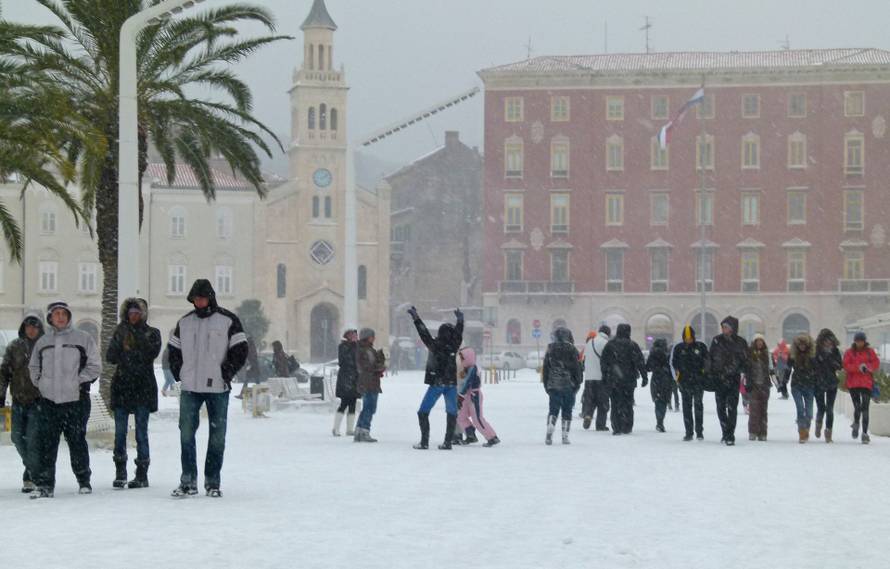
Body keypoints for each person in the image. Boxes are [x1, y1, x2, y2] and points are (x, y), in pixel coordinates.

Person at [168, 280, 248, 498]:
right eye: (195, 298)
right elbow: (173, 352)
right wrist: (180, 374)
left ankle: (212, 482)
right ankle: (188, 481)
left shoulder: (228, 320)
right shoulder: (184, 322)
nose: (199, 301)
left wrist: (226, 372)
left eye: (202, 297)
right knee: (186, 434)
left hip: (218, 388)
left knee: (217, 437)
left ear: (210, 297)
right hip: (190, 388)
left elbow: (241, 349)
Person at [28, 301, 102, 499]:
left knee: (77, 441)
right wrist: (41, 383)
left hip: (76, 400)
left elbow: (95, 365)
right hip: (49, 401)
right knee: (48, 443)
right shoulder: (43, 342)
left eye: (63, 313)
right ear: (50, 318)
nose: (60, 317)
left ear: (69, 316)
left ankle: (83, 480)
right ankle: (45, 485)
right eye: (56, 314)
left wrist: (78, 381)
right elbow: (34, 367)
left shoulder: (83, 338)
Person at [106, 298, 162, 489]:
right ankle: (120, 471)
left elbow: (149, 354)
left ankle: (142, 473)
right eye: (131, 313)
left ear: (143, 314)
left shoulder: (152, 333)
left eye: (137, 313)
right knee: (120, 433)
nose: (134, 316)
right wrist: (122, 344)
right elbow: (110, 356)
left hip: (143, 388)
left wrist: (133, 346)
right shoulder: (120, 332)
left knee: (141, 433)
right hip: (122, 387)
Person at [0, 312, 45, 493]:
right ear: (24, 328)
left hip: (38, 401)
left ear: (40, 328)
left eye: (35, 326)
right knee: (17, 438)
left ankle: (31, 476)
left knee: (33, 439)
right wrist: (1, 394)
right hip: (18, 400)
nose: (31, 329)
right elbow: (4, 373)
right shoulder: (14, 347)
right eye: (28, 326)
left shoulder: (45, 347)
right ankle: (36, 470)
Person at [409, 307, 464, 450]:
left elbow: (424, 333)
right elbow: (458, 334)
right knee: (451, 413)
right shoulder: (454, 345)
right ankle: (447, 442)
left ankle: (424, 441)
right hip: (451, 384)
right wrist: (460, 320)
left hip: (437, 383)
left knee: (423, 412)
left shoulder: (435, 345)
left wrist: (416, 318)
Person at [601, 324, 647, 436]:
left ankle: (616, 426)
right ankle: (627, 426)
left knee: (615, 403)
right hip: (629, 380)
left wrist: (605, 375)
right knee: (628, 402)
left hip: (614, 380)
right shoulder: (633, 345)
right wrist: (644, 376)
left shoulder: (610, 345)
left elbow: (603, 362)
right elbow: (640, 362)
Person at [708, 316, 748, 446]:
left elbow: (745, 361)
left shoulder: (741, 342)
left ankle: (730, 434)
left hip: (733, 379)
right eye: (723, 327)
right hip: (719, 379)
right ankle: (725, 430)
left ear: (732, 328)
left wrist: (739, 370)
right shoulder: (716, 341)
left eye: (726, 327)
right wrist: (710, 372)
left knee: (732, 408)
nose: (724, 329)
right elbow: (710, 358)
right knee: (720, 408)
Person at [542, 328, 582, 445]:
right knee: (567, 410)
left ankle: (550, 426)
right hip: (569, 384)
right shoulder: (572, 349)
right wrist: (578, 382)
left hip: (553, 385)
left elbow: (546, 369)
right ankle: (565, 435)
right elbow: (577, 368)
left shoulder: (550, 349)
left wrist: (546, 385)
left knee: (553, 409)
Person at [671, 325, 709, 441]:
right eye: (686, 338)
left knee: (698, 406)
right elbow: (674, 362)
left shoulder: (700, 347)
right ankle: (689, 432)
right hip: (684, 382)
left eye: (690, 338)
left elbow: (707, 361)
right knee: (686, 407)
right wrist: (679, 376)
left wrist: (703, 373)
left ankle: (699, 432)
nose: (688, 340)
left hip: (698, 382)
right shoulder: (679, 348)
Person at [456, 347, 500, 447]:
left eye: (462, 359)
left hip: (474, 396)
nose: (461, 361)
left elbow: (467, 383)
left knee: (477, 419)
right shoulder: (465, 368)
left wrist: (460, 396)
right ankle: (470, 434)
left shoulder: (473, 368)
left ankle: (492, 437)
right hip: (465, 397)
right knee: (460, 416)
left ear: (468, 358)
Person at [843, 331, 880, 444]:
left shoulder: (870, 352)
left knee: (865, 408)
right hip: (853, 384)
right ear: (855, 341)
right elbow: (845, 365)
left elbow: (876, 363)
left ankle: (864, 433)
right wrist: (858, 368)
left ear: (864, 341)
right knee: (857, 407)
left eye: (861, 341)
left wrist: (867, 367)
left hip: (866, 384)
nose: (860, 343)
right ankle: (856, 423)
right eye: (858, 341)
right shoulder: (849, 352)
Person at [355, 328, 386, 443]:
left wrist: (380, 357)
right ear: (367, 337)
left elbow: (370, 364)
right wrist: (380, 367)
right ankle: (364, 431)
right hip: (369, 382)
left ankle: (358, 431)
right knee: (370, 408)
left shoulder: (366, 349)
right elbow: (366, 367)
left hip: (369, 382)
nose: (374, 338)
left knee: (367, 408)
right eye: (372, 336)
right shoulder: (364, 350)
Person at [814, 328, 843, 443]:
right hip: (819, 383)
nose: (828, 342)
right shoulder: (816, 351)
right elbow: (813, 365)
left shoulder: (835, 351)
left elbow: (840, 365)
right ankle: (818, 422)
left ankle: (828, 432)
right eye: (825, 340)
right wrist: (820, 360)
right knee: (821, 408)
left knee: (830, 409)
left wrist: (830, 360)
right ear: (821, 341)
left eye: (830, 340)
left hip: (831, 382)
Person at [581, 325, 611, 431]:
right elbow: (609, 360)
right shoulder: (606, 343)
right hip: (601, 378)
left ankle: (588, 415)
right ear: (608, 333)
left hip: (589, 377)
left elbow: (584, 359)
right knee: (602, 403)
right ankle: (600, 425)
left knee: (590, 399)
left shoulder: (590, 342)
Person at [789, 334, 818, 443]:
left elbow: (816, 371)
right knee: (800, 409)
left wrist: (817, 383)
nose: (802, 346)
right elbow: (788, 369)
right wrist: (783, 383)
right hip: (796, 385)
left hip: (809, 385)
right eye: (800, 344)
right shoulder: (793, 356)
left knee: (809, 413)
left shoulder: (812, 357)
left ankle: (806, 428)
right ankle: (802, 432)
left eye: (804, 344)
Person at [745, 334, 772, 442]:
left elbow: (771, 369)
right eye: (757, 341)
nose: (759, 343)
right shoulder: (750, 354)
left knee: (763, 410)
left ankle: (763, 432)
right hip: (753, 385)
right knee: (754, 410)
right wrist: (747, 383)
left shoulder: (767, 354)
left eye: (761, 341)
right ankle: (753, 431)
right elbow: (747, 369)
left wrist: (777, 383)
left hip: (764, 385)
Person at [333, 329, 359, 437]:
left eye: (356, 335)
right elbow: (344, 361)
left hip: (355, 379)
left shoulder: (357, 347)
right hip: (345, 379)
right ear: (348, 336)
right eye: (353, 335)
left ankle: (349, 429)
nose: (356, 337)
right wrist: (353, 347)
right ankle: (336, 428)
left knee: (353, 403)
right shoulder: (343, 347)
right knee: (344, 403)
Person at [646, 339, 673, 433]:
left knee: (658, 401)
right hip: (666, 379)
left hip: (656, 379)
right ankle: (661, 421)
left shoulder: (653, 354)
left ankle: (659, 421)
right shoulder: (668, 354)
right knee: (664, 401)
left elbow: (648, 368)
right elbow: (672, 366)